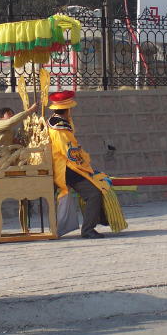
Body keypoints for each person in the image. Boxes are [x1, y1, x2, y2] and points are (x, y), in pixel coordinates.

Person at [47, 90, 110, 239]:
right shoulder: (60, 126)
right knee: (93, 193)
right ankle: (88, 229)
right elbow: (69, 151)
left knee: (95, 187)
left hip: (63, 164)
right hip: (67, 167)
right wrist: (85, 163)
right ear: (67, 109)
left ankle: (100, 218)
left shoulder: (52, 121)